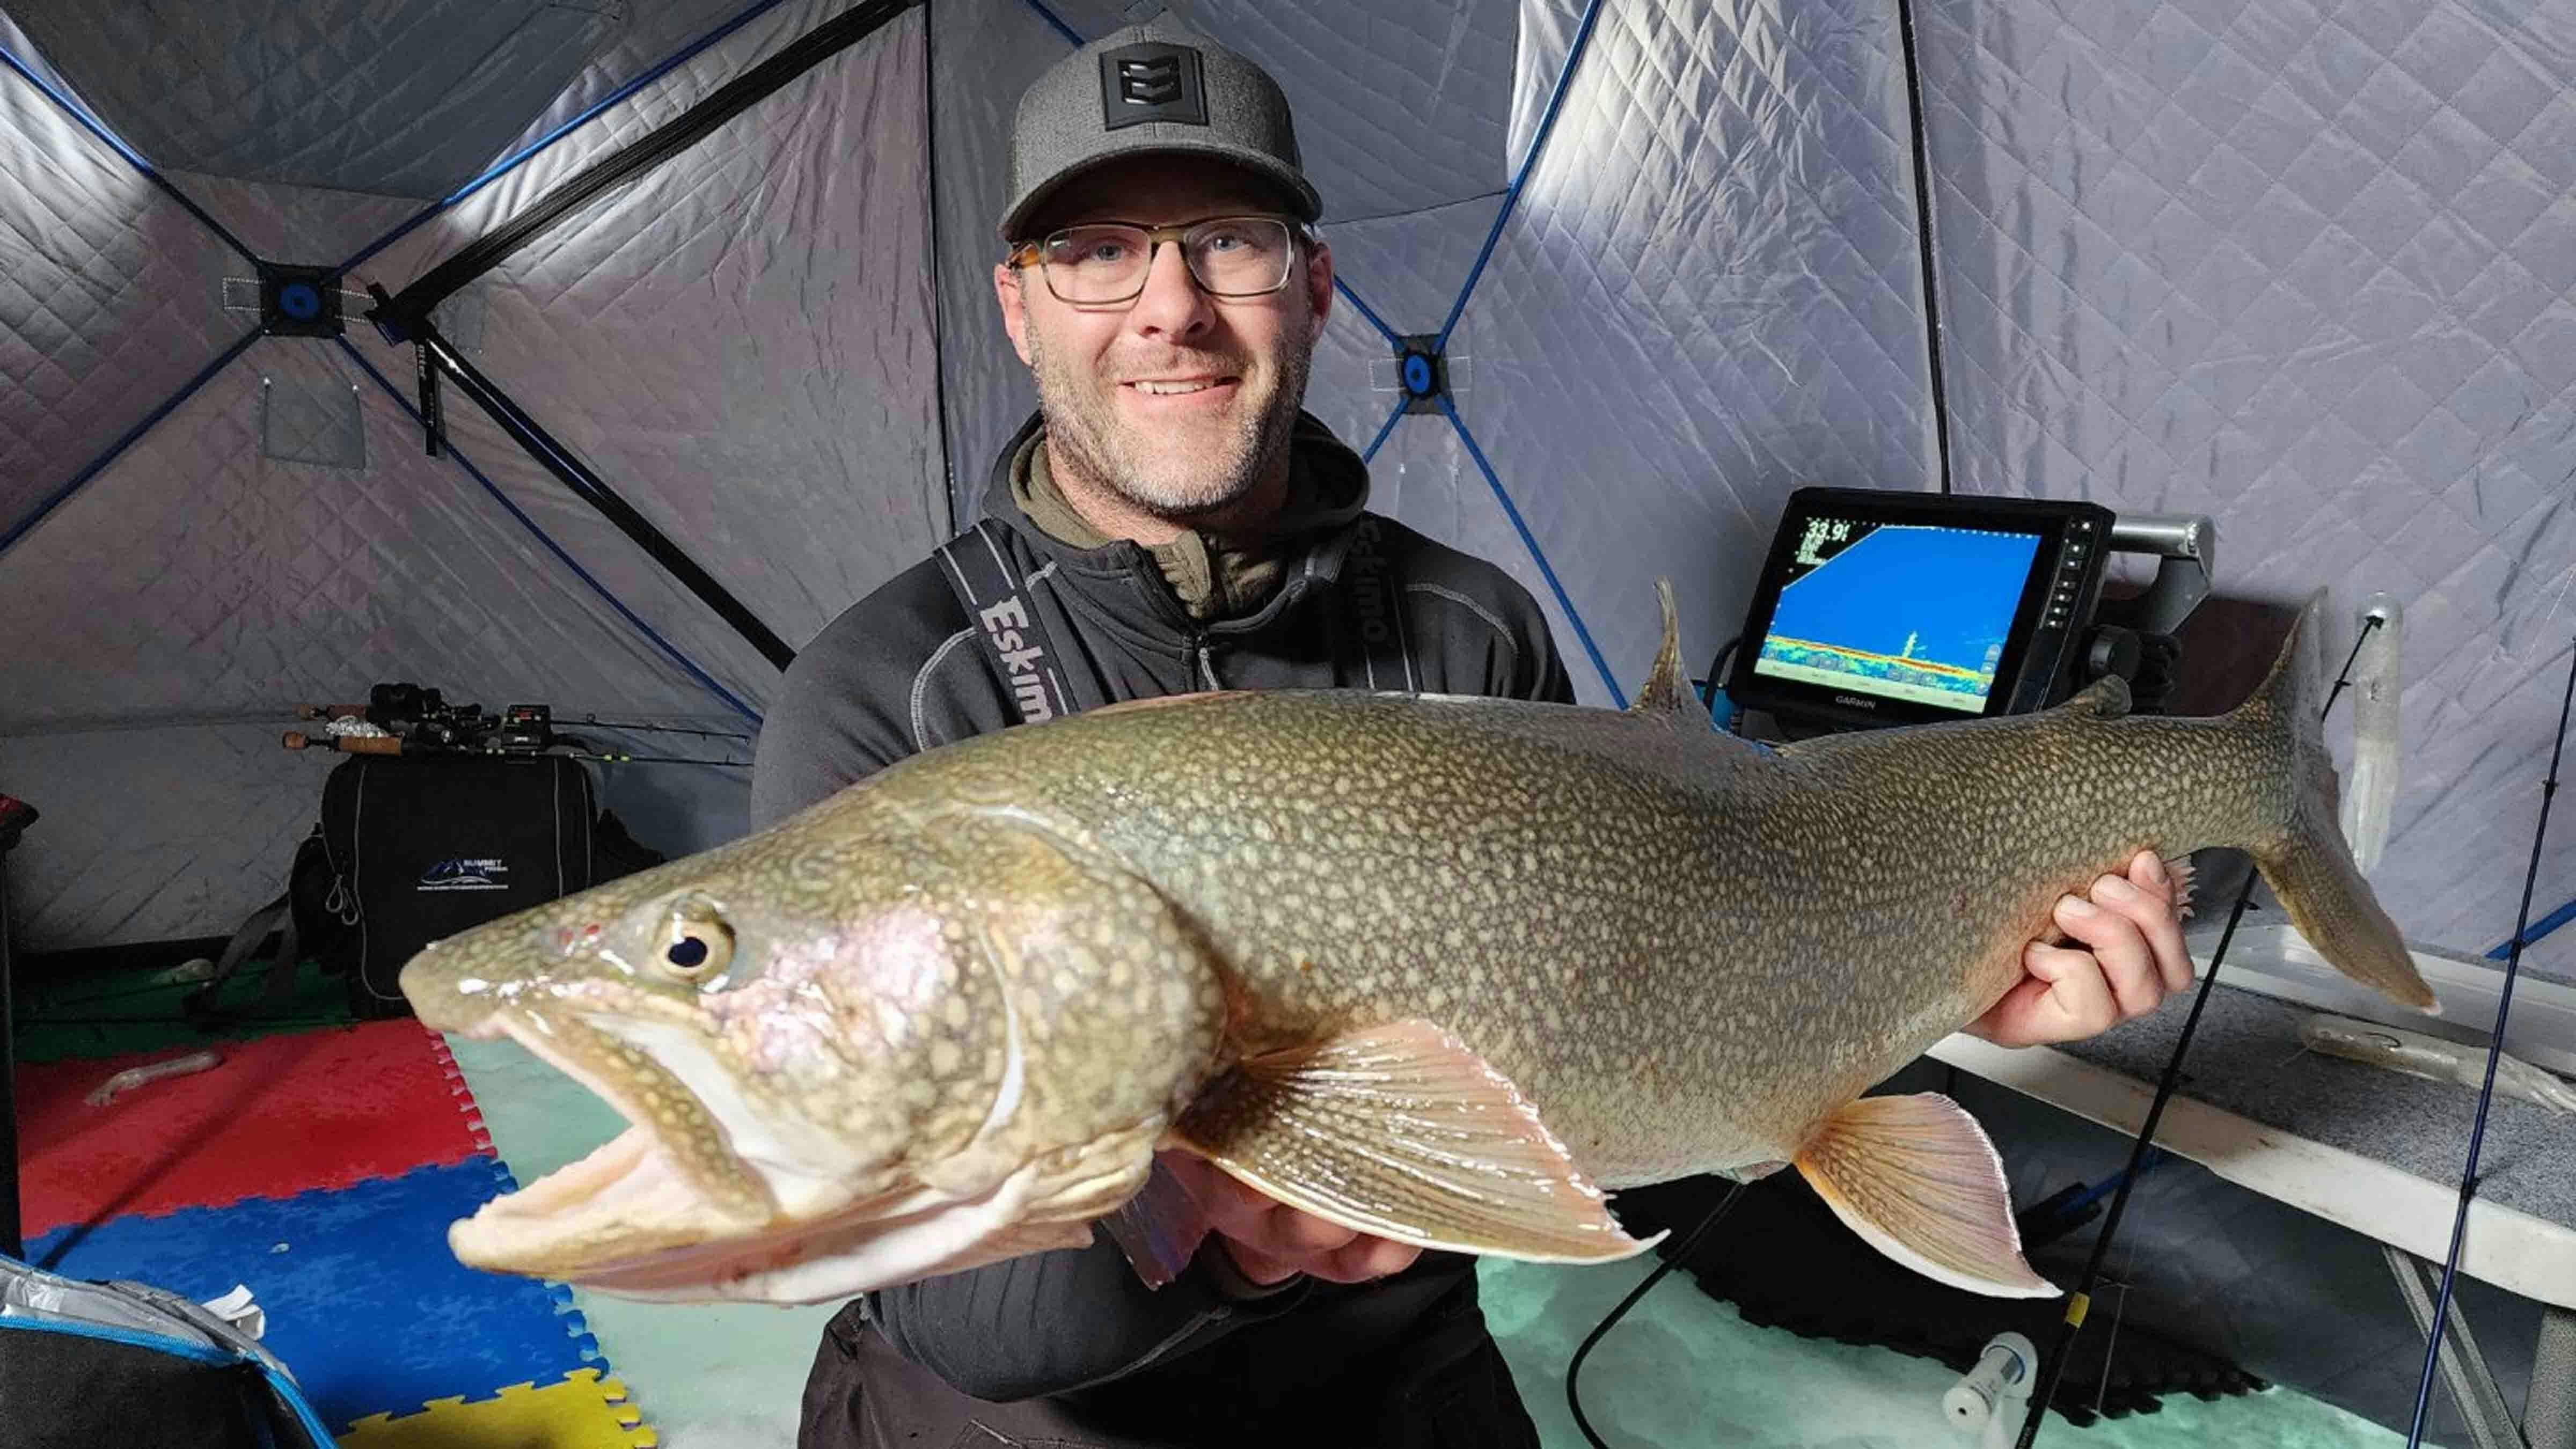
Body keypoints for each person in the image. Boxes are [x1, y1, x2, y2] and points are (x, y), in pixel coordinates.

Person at [752, 13, 2193, 1447]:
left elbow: (1627, 1077)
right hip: (1017, 1421)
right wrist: (1235, 1230)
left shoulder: (1468, 625)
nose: (1169, 306)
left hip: (1397, 1379)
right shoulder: (894, 699)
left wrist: (1948, 975)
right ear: (1018, 305)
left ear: (1313, 287)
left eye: (1228, 241)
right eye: (1094, 251)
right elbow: (947, 1302)